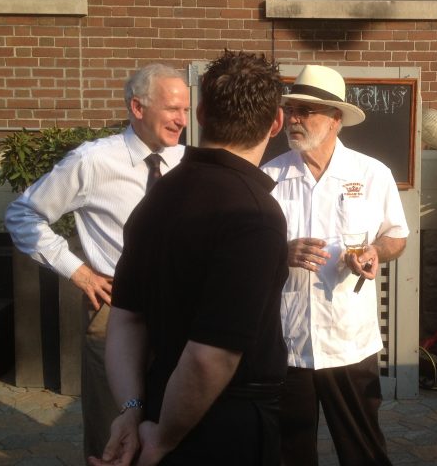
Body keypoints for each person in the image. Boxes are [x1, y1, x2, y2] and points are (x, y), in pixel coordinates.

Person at [89, 50, 288, 466]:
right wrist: (161, 439)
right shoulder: (256, 214)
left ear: (199, 112)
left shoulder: (159, 193)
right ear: (276, 123)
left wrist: (130, 411)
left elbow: (126, 316)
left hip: (161, 406)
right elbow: (209, 356)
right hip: (222, 425)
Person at [4, 63, 189, 460]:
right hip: (114, 310)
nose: (182, 120)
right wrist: (79, 271)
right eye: (173, 109)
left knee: (168, 430)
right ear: (137, 108)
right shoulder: (92, 161)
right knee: (114, 435)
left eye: (187, 111)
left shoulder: (187, 162)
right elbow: (23, 214)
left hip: (178, 311)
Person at [261, 64, 409, 465]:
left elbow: (397, 237)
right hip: (290, 342)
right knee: (289, 454)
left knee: (363, 450)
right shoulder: (268, 177)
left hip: (349, 340)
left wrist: (376, 251)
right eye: (291, 109)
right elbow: (248, 253)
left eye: (306, 111)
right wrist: (281, 252)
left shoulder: (371, 173)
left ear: (335, 119)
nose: (294, 119)